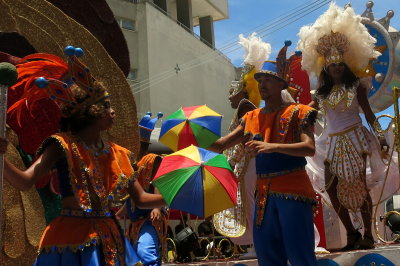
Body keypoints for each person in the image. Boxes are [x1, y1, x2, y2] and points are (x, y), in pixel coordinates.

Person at [0, 46, 165, 265]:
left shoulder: (120, 154)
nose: (113, 111)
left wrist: (174, 197)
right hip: (70, 237)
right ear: (91, 111)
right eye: (106, 106)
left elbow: (142, 200)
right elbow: (24, 181)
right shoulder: (61, 145)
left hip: (109, 238)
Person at [298, 3, 399, 251]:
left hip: (355, 140)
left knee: (359, 189)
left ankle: (368, 235)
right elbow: (308, 112)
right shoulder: (321, 93)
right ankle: (352, 234)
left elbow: (368, 113)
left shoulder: (357, 87)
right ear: (326, 68)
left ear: (345, 65)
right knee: (332, 188)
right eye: (332, 65)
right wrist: (297, 116)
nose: (336, 68)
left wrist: (382, 139)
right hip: (331, 143)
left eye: (340, 64)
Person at [210, 59, 318, 265]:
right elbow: (221, 145)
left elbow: (309, 148)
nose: (262, 85)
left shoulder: (299, 112)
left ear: (281, 84)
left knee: (300, 255)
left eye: (268, 80)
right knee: (267, 256)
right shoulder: (251, 117)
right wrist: (195, 135)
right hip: (263, 196)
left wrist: (273, 146)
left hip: (293, 190)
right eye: (260, 81)